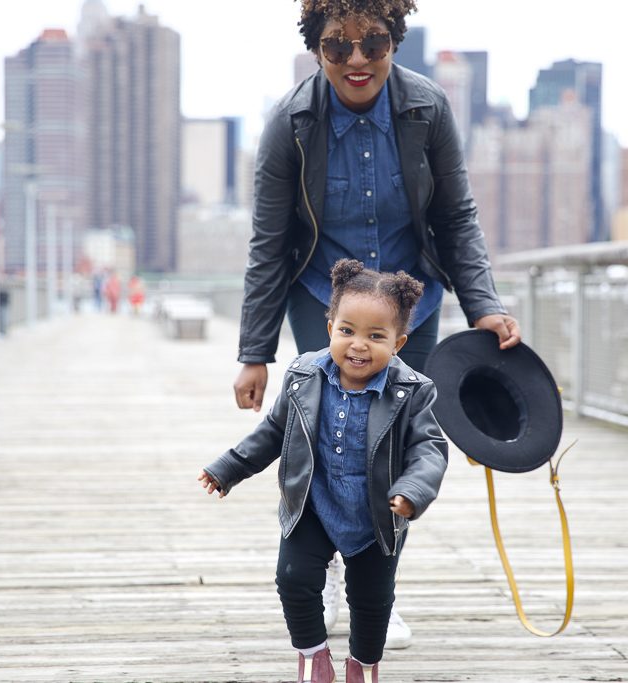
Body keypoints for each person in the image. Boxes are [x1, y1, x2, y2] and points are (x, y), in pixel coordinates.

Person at [232, 0, 522, 651]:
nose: (357, 60)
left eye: (374, 43)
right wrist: (255, 352)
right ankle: (330, 570)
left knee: (389, 449)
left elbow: (458, 217)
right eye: (338, 47)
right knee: (329, 443)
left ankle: (374, 591)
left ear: (395, 40)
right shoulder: (291, 123)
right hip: (322, 306)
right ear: (316, 48)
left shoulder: (426, 109)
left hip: (408, 308)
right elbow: (269, 243)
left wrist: (485, 305)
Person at [201, 260, 448, 683]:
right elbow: (274, 431)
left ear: (400, 342)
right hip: (313, 504)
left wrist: (412, 491)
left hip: (375, 515)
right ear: (330, 325)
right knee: (293, 578)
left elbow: (430, 448)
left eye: (376, 336)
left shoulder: (412, 391)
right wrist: (230, 467)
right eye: (347, 330)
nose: (358, 345)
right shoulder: (303, 376)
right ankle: (313, 655)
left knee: (372, 600)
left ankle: (363, 664)